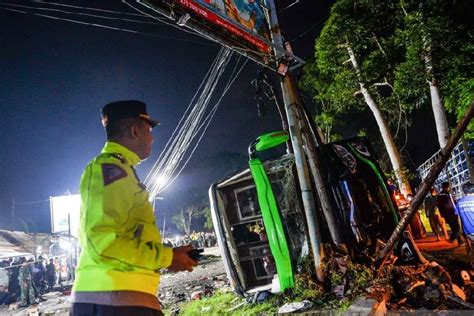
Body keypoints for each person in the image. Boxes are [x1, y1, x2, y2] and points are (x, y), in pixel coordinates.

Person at [71, 100, 197, 315]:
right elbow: (103, 242)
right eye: (148, 129)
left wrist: (171, 256)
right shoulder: (109, 169)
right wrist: (167, 258)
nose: (152, 137)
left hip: (124, 299)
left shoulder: (121, 170)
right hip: (112, 300)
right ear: (134, 131)